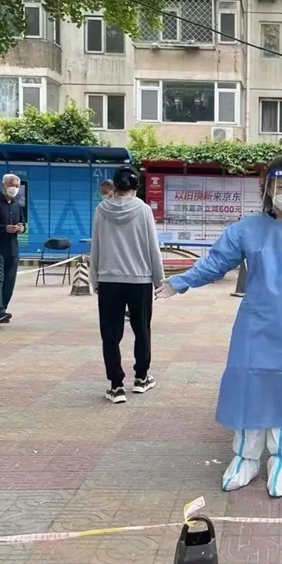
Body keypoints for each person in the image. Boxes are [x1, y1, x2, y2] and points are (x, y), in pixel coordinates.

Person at [156, 156, 282, 497]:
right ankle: (245, 458)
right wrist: (180, 282)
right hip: (255, 323)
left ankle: (281, 460)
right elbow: (215, 263)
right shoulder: (246, 229)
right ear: (267, 189)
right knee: (248, 387)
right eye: (279, 185)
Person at [89, 166, 164, 404]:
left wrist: (94, 278)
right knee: (142, 330)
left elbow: (96, 245)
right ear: (135, 186)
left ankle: (116, 386)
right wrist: (159, 279)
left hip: (109, 279)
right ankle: (141, 378)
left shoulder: (101, 210)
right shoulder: (143, 210)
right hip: (139, 280)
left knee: (110, 335)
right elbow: (152, 245)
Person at [0, 174, 24, 324]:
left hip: (12, 249)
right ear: (3, 185)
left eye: (17, 186)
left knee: (9, 282)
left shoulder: (17, 205)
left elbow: (21, 222)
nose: (14, 188)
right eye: (11, 185)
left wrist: (21, 228)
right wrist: (4, 228)